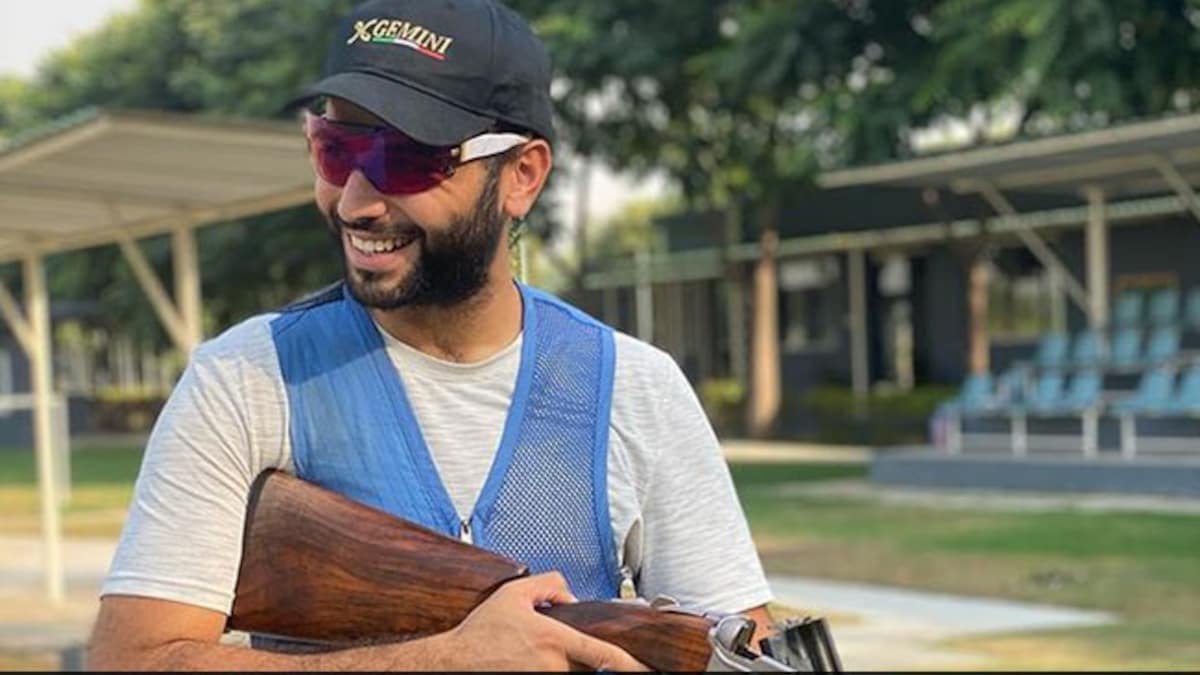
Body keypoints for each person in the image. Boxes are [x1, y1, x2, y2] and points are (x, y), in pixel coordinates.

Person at [88, 0, 773, 670]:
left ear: (522, 175)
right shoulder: (243, 378)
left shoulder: (637, 387)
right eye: (336, 150)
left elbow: (742, 649)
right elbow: (131, 659)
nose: (356, 201)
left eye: (407, 160)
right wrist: (448, 658)